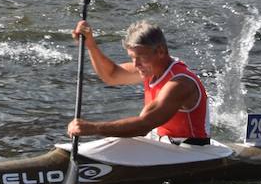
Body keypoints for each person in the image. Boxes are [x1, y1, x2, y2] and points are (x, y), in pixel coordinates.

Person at [66, 20, 210, 145]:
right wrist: (90, 44)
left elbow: (144, 125)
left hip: (192, 150)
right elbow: (111, 75)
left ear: (160, 51)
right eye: (132, 58)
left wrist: (93, 128)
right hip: (165, 144)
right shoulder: (151, 68)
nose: (136, 65)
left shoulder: (179, 83)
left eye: (141, 57)